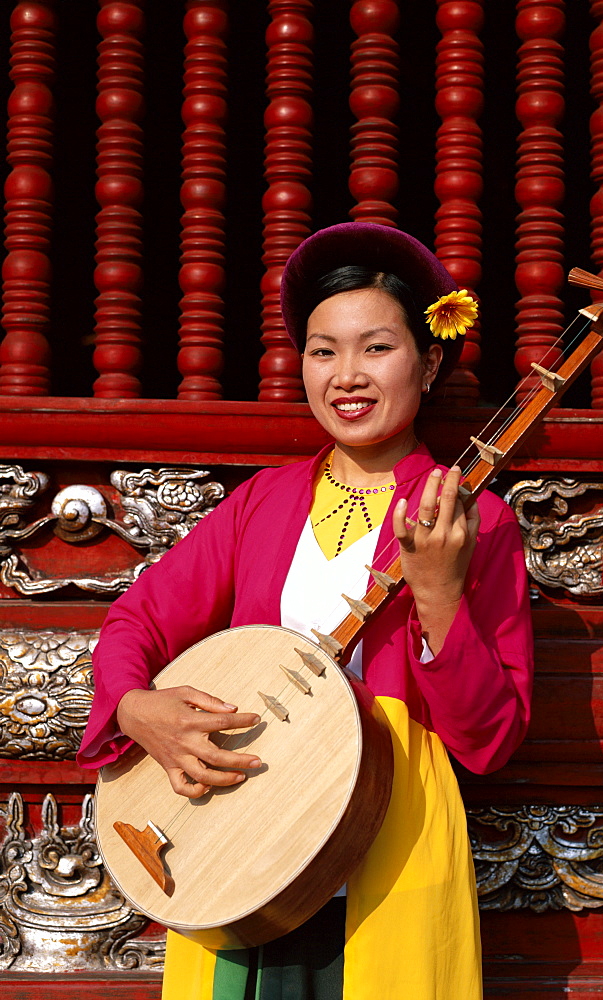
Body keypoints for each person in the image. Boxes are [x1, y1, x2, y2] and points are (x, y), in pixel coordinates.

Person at [78, 222, 534, 1000]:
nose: (345, 375)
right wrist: (134, 705)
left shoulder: (471, 520)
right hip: (237, 817)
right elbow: (136, 623)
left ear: (428, 363)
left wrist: (438, 592)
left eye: (375, 348)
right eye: (323, 351)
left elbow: (489, 740)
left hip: (389, 826)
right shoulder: (263, 501)